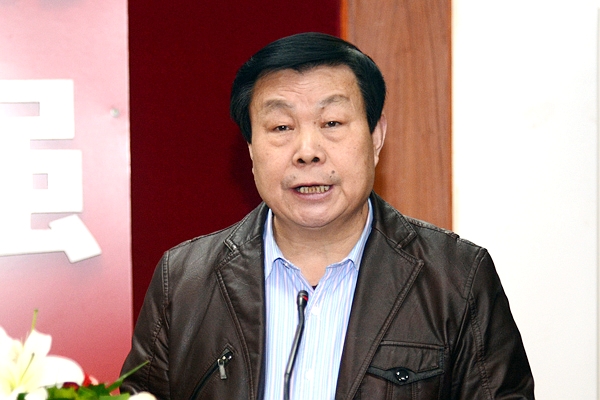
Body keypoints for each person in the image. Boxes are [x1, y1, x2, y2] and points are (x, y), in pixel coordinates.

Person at [121, 32, 534, 399]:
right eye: (281, 127)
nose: (307, 151)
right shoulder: (185, 280)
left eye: (332, 122)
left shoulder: (456, 278)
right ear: (250, 148)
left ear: (376, 136)